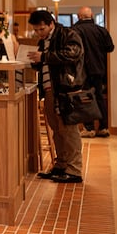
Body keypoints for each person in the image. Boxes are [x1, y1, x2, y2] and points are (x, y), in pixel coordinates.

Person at [27, 10, 85, 183]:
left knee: (68, 129)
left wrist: (44, 56)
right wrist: (36, 61)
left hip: (65, 89)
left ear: (51, 24)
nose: (39, 33)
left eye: (42, 29)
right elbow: (45, 64)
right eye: (36, 30)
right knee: (57, 130)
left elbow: (73, 54)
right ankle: (61, 165)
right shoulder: (43, 41)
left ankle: (74, 170)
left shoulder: (68, 34)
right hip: (49, 89)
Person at [73, 6, 114, 137]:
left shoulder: (75, 30)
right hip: (99, 69)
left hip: (82, 70)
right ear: (91, 16)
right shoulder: (101, 30)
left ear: (79, 17)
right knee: (99, 97)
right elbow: (110, 47)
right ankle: (103, 127)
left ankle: (89, 128)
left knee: (85, 97)